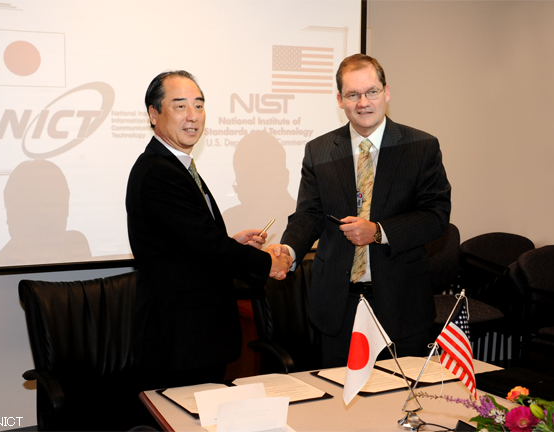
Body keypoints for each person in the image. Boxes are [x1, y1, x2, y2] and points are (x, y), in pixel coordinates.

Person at [277, 54, 451, 367]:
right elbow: (309, 215)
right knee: (338, 401)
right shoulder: (319, 151)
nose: (363, 102)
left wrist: (379, 231)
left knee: (402, 401)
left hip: (401, 304)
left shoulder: (421, 147)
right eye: (353, 95)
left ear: (386, 92)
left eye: (371, 92)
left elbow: (435, 217)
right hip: (338, 306)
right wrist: (289, 250)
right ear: (340, 100)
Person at [126, 70, 292, 389]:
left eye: (199, 105)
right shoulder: (160, 172)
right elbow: (206, 246)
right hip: (182, 338)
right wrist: (269, 263)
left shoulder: (177, 165)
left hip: (195, 336)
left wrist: (230, 242)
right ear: (153, 113)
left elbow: (189, 243)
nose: (193, 116)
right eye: (180, 106)